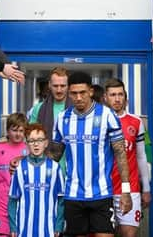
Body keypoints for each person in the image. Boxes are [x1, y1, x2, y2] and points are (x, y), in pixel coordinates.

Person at [50, 71, 132, 237]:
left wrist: (126, 190)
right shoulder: (62, 118)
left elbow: (120, 153)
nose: (78, 98)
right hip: (72, 195)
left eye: (82, 92)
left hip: (102, 193)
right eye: (74, 93)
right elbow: (54, 156)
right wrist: (26, 160)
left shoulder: (107, 115)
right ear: (69, 93)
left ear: (91, 92)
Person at [103, 78, 151, 237]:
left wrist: (146, 189)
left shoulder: (136, 122)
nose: (117, 99)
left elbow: (141, 156)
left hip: (130, 189)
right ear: (105, 97)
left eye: (120, 94)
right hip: (104, 189)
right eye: (112, 95)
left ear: (125, 97)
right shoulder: (98, 122)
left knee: (128, 234)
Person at [8, 122, 65, 237]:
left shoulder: (55, 167)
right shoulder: (19, 168)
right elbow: (13, 200)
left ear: (46, 143)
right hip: (24, 229)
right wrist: (13, 227)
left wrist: (58, 225)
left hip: (48, 229)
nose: (36, 144)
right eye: (31, 141)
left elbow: (61, 200)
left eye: (39, 140)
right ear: (26, 143)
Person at [28, 67, 71, 138]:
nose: (59, 90)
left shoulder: (77, 108)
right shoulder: (38, 108)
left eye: (63, 86)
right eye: (55, 86)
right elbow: (31, 135)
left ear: (68, 86)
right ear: (49, 85)